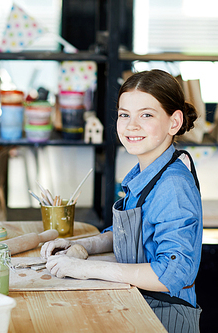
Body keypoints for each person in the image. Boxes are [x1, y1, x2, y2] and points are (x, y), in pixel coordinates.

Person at [41, 69, 202, 333]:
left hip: (165, 315)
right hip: (136, 303)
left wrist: (84, 270)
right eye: (124, 115)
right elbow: (129, 234)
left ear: (174, 122)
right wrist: (80, 245)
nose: (131, 126)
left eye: (146, 115)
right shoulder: (145, 173)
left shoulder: (172, 185)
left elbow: (171, 273)